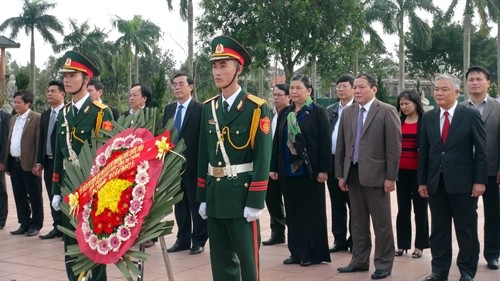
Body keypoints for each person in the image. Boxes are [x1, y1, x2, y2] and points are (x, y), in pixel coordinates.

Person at [196, 35, 272, 281]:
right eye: (214, 66)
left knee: (248, 262)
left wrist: (256, 200)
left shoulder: (256, 108)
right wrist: (202, 196)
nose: (217, 72)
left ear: (238, 69)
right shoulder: (209, 107)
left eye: (223, 65)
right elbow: (202, 155)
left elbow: (263, 157)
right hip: (215, 196)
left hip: (242, 195)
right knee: (220, 262)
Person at [418, 73, 487, 281]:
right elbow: (425, 151)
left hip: (464, 185)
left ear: (457, 92)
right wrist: (422, 181)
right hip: (436, 184)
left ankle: (467, 270)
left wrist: (480, 181)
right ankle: (439, 270)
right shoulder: (429, 117)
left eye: (444, 89)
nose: (438, 93)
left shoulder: (470, 115)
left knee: (466, 230)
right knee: (439, 230)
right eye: (436, 89)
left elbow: (482, 151)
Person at [51, 50, 113, 281]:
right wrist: (56, 190)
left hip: (93, 191)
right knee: (71, 247)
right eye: (65, 75)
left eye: (73, 75)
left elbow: (107, 157)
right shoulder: (64, 114)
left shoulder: (101, 113)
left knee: (94, 247)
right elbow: (59, 156)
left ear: (86, 79)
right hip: (69, 191)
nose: (66, 79)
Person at [335, 73, 401, 280]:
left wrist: (391, 177)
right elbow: (341, 146)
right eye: (355, 87)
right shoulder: (348, 112)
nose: (357, 91)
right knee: (358, 221)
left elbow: (393, 148)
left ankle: (383, 264)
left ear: (374, 89)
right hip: (352, 174)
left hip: (377, 176)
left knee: (381, 224)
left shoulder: (387, 111)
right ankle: (359, 260)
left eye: (362, 87)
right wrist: (340, 174)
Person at [270, 74, 331, 266]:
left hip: (309, 172)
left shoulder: (317, 112)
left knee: (311, 213)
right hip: (288, 172)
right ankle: (296, 252)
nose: (294, 92)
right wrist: (274, 167)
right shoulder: (285, 113)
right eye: (292, 89)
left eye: (298, 88)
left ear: (309, 91)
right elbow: (277, 143)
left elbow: (324, 142)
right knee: (293, 214)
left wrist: (323, 170)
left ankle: (312, 253)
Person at [162, 72, 207, 254]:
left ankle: (199, 240)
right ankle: (183, 239)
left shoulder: (200, 109)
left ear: (191, 86)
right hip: (174, 166)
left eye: (181, 84)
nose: (177, 87)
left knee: (195, 204)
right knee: (179, 206)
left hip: (194, 164)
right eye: (174, 84)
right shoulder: (169, 109)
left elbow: (203, 139)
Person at [462, 66, 500, 270]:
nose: (474, 83)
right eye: (471, 80)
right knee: (467, 215)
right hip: (466, 171)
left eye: (479, 79)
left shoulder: (498, 107)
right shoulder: (460, 108)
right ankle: (470, 254)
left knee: (494, 214)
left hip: (493, 170)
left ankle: (493, 254)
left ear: (488, 83)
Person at [394, 89, 429, 258]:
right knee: (403, 209)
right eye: (401, 104)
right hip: (402, 173)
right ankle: (402, 245)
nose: (404, 106)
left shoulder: (425, 121)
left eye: (407, 103)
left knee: (420, 210)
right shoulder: (398, 121)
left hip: (420, 174)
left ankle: (420, 246)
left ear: (416, 103)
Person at [4, 90, 43, 237]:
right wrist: (7, 162)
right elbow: (10, 141)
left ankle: (36, 224)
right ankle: (24, 222)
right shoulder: (13, 119)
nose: (16, 104)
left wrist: (37, 163)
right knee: (19, 195)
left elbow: (39, 142)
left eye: (19, 102)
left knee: (34, 195)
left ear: (28, 103)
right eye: (14, 102)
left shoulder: (36, 118)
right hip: (14, 163)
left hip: (29, 163)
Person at [326, 74, 355, 253]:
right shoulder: (330, 109)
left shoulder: (358, 109)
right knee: (336, 202)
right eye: (338, 87)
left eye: (344, 86)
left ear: (353, 88)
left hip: (351, 162)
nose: (341, 90)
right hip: (332, 161)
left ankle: (355, 239)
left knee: (354, 203)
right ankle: (339, 239)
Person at [34, 80, 65, 239]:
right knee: (52, 195)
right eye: (48, 91)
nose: (49, 94)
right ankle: (57, 227)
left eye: (53, 91)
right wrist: (39, 161)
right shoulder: (45, 115)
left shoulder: (68, 113)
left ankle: (67, 229)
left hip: (64, 163)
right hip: (48, 161)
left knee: (64, 195)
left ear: (62, 94)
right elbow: (42, 140)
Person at [262, 82, 289, 246]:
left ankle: (292, 232)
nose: (276, 98)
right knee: (272, 199)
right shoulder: (271, 115)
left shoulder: (290, 115)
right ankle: (277, 232)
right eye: (274, 95)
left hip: (284, 165)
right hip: (269, 164)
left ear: (288, 97)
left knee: (289, 200)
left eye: (279, 95)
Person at [0, 108, 12, 230]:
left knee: (1, 191)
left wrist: (3, 160)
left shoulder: (5, 116)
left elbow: (5, 140)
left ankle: (1, 219)